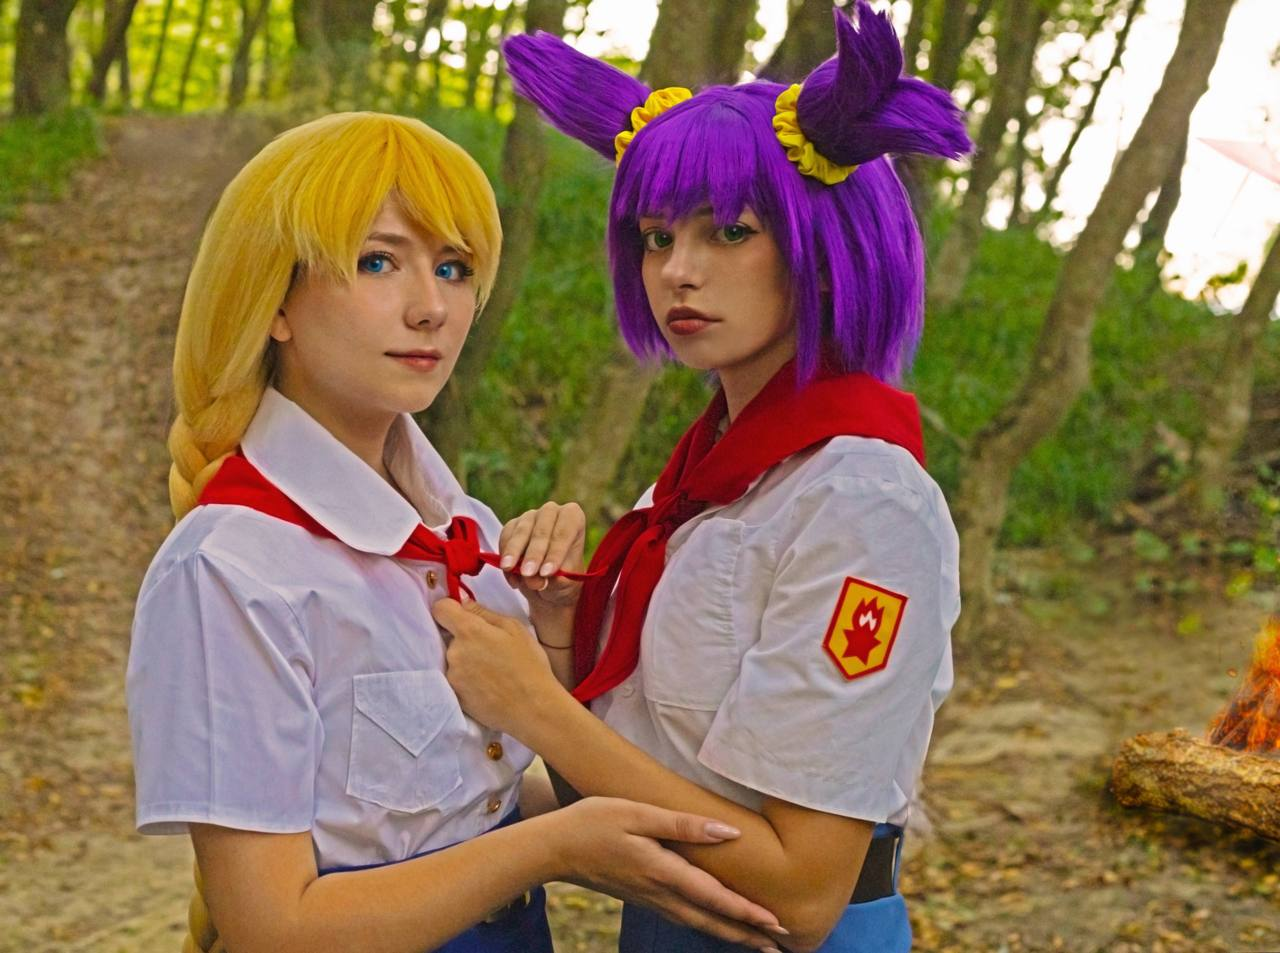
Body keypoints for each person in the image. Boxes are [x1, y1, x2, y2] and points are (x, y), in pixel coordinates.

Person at [125, 111, 792, 953]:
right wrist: (555, 847)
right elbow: (272, 927)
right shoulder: (232, 567)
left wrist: (553, 631)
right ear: (275, 301)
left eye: (453, 268)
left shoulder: (464, 531)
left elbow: (465, 803)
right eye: (377, 262)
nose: (431, 308)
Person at [430, 5, 972, 951]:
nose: (677, 271)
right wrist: (560, 630)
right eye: (655, 237)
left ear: (823, 249)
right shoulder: (706, 481)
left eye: (729, 231)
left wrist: (535, 706)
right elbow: (630, 775)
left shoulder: (861, 502)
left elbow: (803, 891)